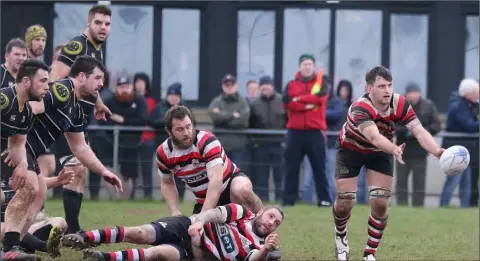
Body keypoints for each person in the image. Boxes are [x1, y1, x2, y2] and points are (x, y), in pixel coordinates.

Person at [5, 56, 123, 257]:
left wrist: (103, 171)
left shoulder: (77, 109)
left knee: (39, 192)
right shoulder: (63, 90)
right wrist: (13, 141)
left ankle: (18, 243)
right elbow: (32, 106)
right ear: (82, 76)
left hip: (29, 152)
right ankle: (9, 248)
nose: (101, 84)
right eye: (97, 78)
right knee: (30, 188)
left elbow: (80, 147)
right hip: (19, 148)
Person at [332, 66, 444, 261]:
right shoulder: (360, 107)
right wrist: (394, 149)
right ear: (369, 88)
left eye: (390, 85)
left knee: (381, 203)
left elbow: (419, 131)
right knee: (345, 203)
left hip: (380, 153)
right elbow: (374, 137)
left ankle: (370, 253)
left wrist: (437, 151)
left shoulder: (400, 103)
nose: (387, 90)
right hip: (350, 151)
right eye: (381, 86)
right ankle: (341, 235)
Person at [49, 4, 112, 234]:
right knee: (75, 169)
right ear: (89, 23)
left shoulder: (97, 48)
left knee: (79, 171)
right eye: (98, 23)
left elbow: (87, 82)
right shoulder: (78, 45)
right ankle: (71, 230)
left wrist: (98, 103)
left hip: (78, 120)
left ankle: (70, 228)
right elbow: (55, 80)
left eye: (107, 24)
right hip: (64, 121)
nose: (103, 28)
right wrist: (66, 110)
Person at [61, 203, 283, 261]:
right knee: (140, 233)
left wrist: (265, 250)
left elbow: (254, 258)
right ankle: (85, 238)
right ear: (261, 212)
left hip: (192, 251)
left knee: (158, 254)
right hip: (185, 225)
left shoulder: (255, 247)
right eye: (270, 216)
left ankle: (103, 257)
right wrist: (199, 222)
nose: (271, 222)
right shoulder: (243, 213)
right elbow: (215, 214)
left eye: (276, 223)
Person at [0, 59, 50, 260]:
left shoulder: (27, 111)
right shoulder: (4, 99)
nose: (48, 86)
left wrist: (22, 164)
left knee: (31, 186)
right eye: (43, 81)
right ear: (27, 82)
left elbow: (17, 144)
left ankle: (10, 249)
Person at [282, 54, 331, 207]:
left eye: (310, 64)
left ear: (313, 66)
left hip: (315, 131)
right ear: (299, 67)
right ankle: (289, 200)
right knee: (291, 167)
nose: (307, 67)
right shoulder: (290, 84)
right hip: (294, 132)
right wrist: (307, 104)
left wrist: (299, 99)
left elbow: (320, 99)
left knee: (319, 167)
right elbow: (287, 104)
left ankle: (324, 199)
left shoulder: (322, 82)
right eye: (304, 64)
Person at [1, 167, 75, 258]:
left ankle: (30, 244)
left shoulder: (10, 168)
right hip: (5, 228)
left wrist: (58, 180)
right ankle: (45, 246)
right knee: (4, 228)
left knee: (60, 222)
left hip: (22, 226)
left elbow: (34, 183)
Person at [395, 83, 441, 207]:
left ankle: (418, 206)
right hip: (402, 151)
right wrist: (406, 131)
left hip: (420, 151)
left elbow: (437, 125)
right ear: (406, 94)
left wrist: (422, 131)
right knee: (401, 182)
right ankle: (401, 206)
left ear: (419, 93)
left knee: (419, 182)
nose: (413, 95)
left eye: (415, 92)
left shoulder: (428, 106)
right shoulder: (399, 106)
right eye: (411, 93)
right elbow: (391, 125)